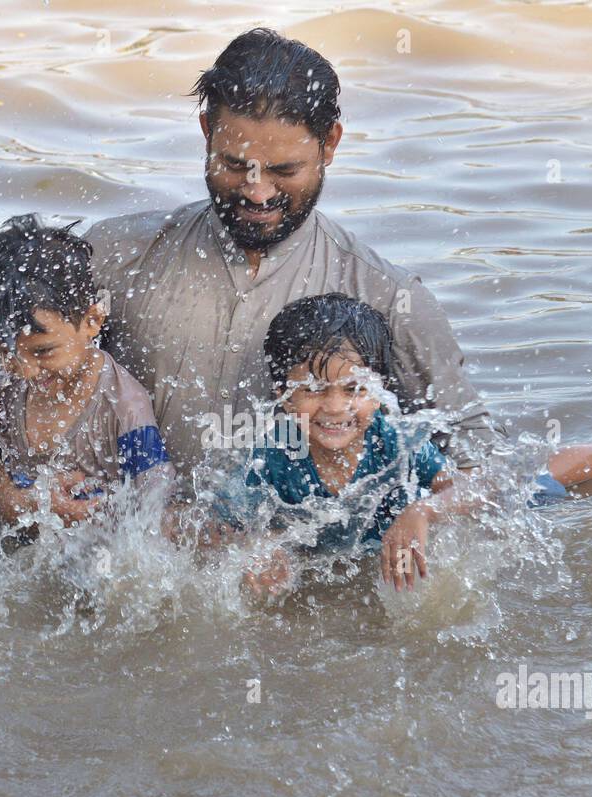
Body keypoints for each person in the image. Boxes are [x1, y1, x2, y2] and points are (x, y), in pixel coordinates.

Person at [82, 28, 500, 479]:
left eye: (285, 170)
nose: (258, 193)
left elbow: (477, 469)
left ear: (331, 145)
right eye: (235, 165)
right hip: (133, 537)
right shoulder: (114, 258)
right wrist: (14, 491)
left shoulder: (388, 297)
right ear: (206, 131)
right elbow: (3, 384)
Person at [218, 295, 592, 597]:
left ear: (380, 392)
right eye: (314, 390)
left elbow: (471, 490)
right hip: (357, 547)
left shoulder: (397, 442)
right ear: (282, 393)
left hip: (438, 511)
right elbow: (222, 523)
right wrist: (262, 545)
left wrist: (421, 513)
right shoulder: (273, 454)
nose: (335, 408)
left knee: (527, 486)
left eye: (355, 389)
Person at [0, 215, 173, 539]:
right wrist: (10, 497)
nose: (23, 371)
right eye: (5, 352)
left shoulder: (123, 407)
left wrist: (96, 517)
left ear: (92, 321)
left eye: (43, 352)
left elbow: (155, 515)